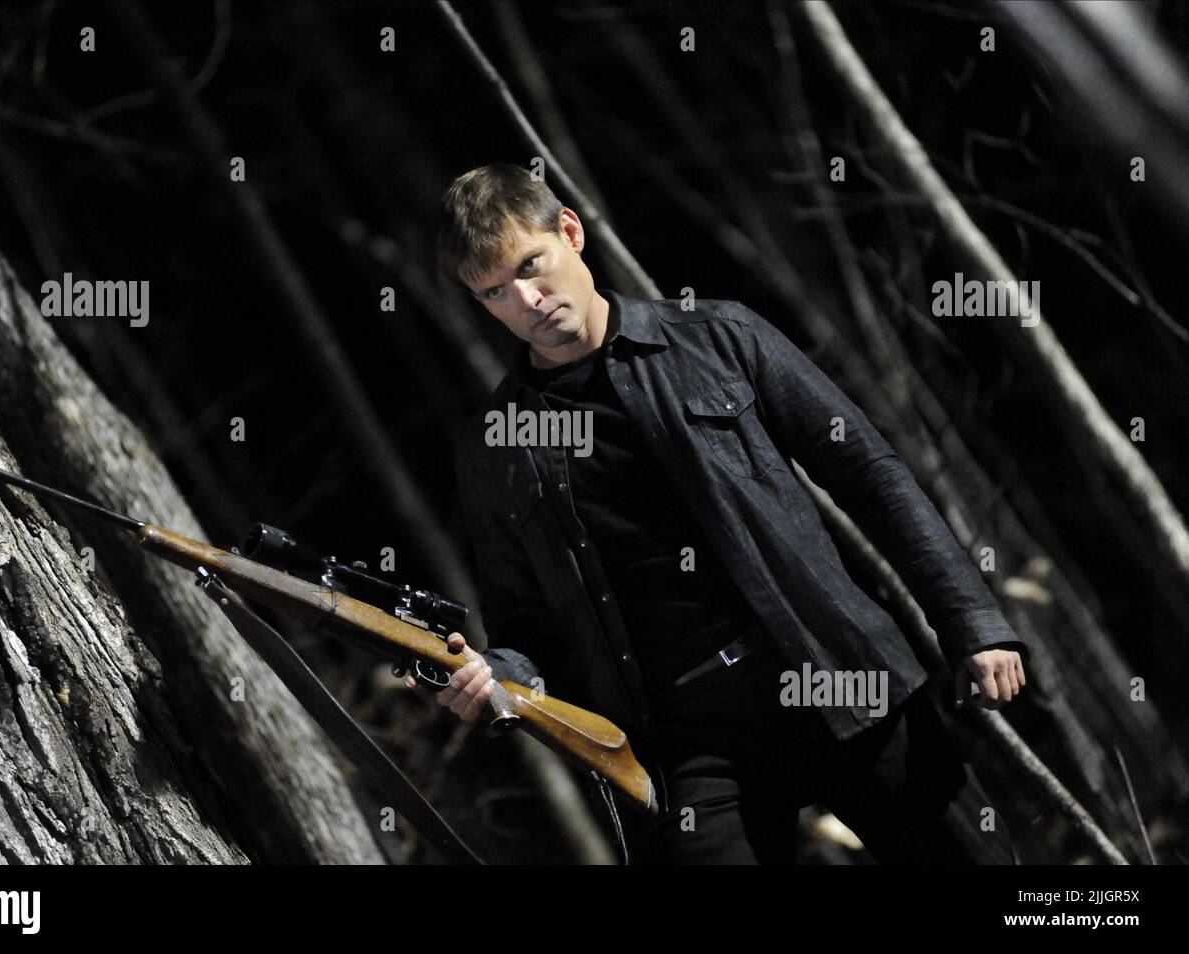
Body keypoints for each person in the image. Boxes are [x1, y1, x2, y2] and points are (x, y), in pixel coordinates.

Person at [412, 162, 1028, 864]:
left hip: (835, 670)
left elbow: (869, 475)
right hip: (683, 745)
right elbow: (526, 627)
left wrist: (971, 623)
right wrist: (494, 678)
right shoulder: (496, 450)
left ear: (571, 232)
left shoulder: (717, 338)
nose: (526, 299)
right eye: (495, 292)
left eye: (532, 264)